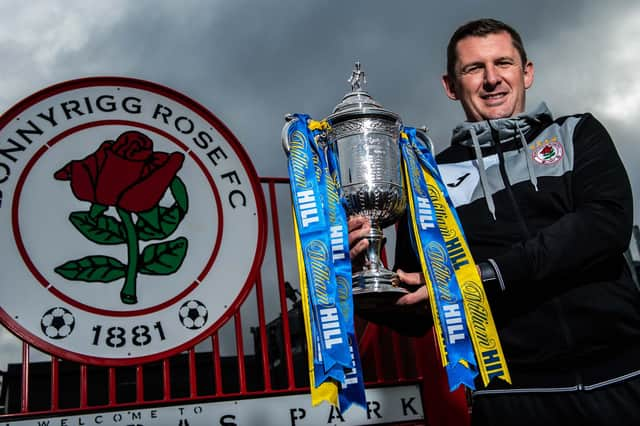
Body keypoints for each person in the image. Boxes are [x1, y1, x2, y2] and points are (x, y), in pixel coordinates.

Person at [350, 18, 640, 425]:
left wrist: (484, 275)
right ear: (451, 86)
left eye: (503, 63)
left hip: (625, 378)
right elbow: (419, 305)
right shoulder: (430, 179)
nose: (491, 80)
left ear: (527, 72)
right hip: (513, 398)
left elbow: (603, 227)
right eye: (473, 69)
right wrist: (358, 272)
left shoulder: (577, 134)